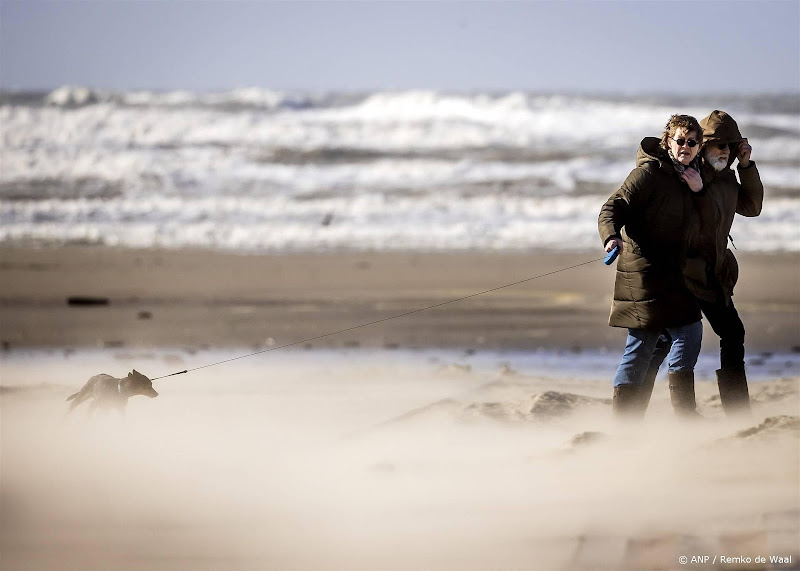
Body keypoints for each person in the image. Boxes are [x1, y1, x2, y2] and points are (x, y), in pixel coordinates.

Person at [598, 114, 706, 419]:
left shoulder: (692, 175)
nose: (685, 146)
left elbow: (703, 218)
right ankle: (630, 422)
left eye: (691, 142)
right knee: (644, 343)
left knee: (683, 332)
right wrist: (611, 237)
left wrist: (699, 190)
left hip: (673, 273)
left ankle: (678, 415)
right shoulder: (648, 173)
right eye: (680, 140)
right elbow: (611, 207)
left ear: (698, 146)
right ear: (667, 142)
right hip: (643, 273)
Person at [682, 110, 764, 417]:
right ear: (702, 146)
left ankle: (738, 413)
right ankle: (683, 414)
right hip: (685, 274)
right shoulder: (688, 175)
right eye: (719, 145)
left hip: (715, 277)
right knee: (674, 343)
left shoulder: (730, 179)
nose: (725, 152)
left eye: (730, 146)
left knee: (733, 333)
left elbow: (753, 207)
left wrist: (746, 166)